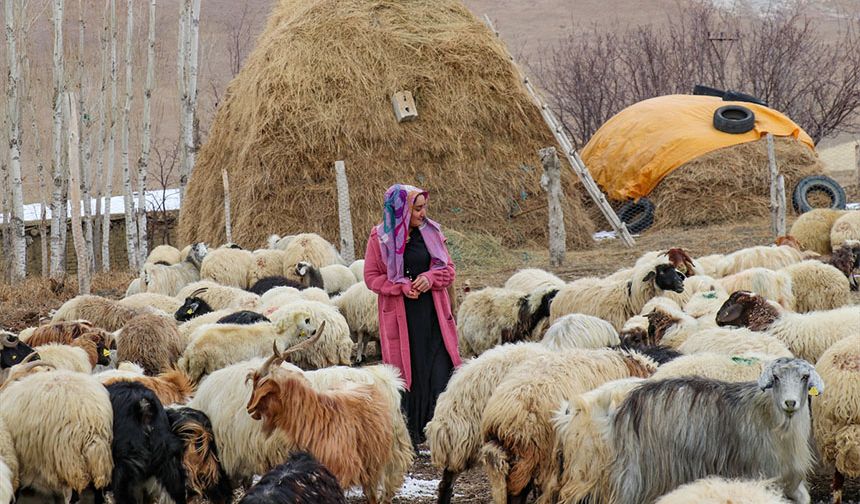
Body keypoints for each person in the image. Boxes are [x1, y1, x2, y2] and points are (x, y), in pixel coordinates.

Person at [363, 183, 462, 448]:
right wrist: (401, 286)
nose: (422, 214)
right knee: (410, 372)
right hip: (402, 318)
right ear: (401, 210)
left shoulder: (432, 233)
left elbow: (448, 270)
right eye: (417, 209)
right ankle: (412, 435)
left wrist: (430, 278)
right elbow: (371, 277)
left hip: (433, 315)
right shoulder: (380, 238)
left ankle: (440, 433)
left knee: (440, 369)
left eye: (423, 208)